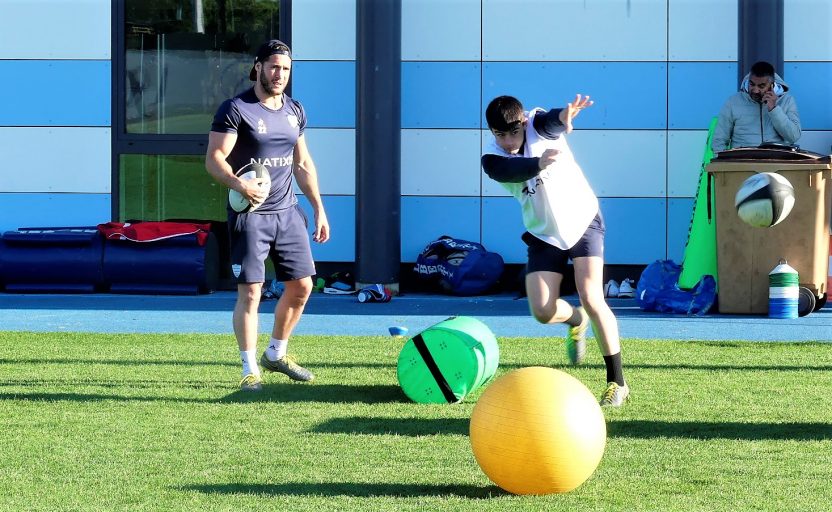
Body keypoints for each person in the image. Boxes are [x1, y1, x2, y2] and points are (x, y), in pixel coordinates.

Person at [481, 94, 629, 407]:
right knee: (543, 311)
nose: (507, 141)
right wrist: (537, 163)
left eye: (513, 132)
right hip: (544, 233)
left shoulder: (536, 123)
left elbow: (551, 121)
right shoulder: (491, 158)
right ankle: (576, 321)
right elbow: (508, 171)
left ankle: (617, 382)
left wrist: (565, 116)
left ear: (522, 123)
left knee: (591, 296)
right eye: (500, 135)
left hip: (583, 220)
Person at [205, 40, 330, 391]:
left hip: (287, 212)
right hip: (251, 216)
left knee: (302, 287)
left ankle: (275, 354)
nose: (280, 75)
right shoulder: (236, 109)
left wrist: (319, 209)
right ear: (258, 67)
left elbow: (302, 164)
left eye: (286, 69)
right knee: (252, 292)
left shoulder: (295, 110)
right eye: (274, 67)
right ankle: (249, 370)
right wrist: (238, 185)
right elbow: (214, 159)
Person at [712, 61, 801, 152]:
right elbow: (719, 140)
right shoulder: (733, 102)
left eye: (761, 86)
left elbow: (793, 136)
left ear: (772, 85)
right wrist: (722, 164)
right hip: (742, 162)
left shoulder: (787, 101)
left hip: (776, 162)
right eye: (752, 84)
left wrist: (774, 109)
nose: (755, 90)